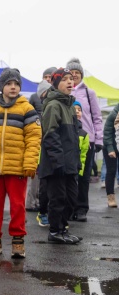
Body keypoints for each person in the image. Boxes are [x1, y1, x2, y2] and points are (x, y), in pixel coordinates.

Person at [0, 68, 41, 258]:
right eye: (9, 84)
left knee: (17, 206)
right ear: (2, 86)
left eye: (16, 84)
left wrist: (30, 164)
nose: (13, 87)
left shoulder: (27, 109)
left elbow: (34, 139)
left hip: (18, 168)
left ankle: (18, 242)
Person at [36, 68, 82, 244]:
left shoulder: (69, 105)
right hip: (57, 164)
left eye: (71, 79)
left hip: (69, 163)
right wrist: (58, 162)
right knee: (58, 199)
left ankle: (63, 229)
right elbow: (50, 135)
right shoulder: (54, 105)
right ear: (55, 83)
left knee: (71, 199)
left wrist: (76, 162)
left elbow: (73, 139)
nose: (70, 82)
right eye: (65, 79)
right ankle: (55, 232)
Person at [68, 58, 103, 222]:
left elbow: (97, 118)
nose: (74, 75)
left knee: (83, 176)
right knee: (68, 176)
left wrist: (98, 140)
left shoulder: (90, 93)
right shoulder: (63, 92)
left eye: (77, 72)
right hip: (68, 138)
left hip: (86, 140)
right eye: (71, 72)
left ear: (81, 74)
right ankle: (69, 208)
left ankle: (81, 208)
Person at [26, 80, 53, 212]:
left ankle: (36, 201)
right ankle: (30, 203)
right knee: (35, 175)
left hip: (44, 139)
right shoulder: (34, 99)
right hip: (37, 140)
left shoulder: (50, 104)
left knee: (40, 176)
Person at [103, 104, 119, 205]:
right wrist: (110, 149)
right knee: (111, 171)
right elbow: (107, 132)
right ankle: (111, 198)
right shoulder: (113, 115)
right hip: (111, 146)